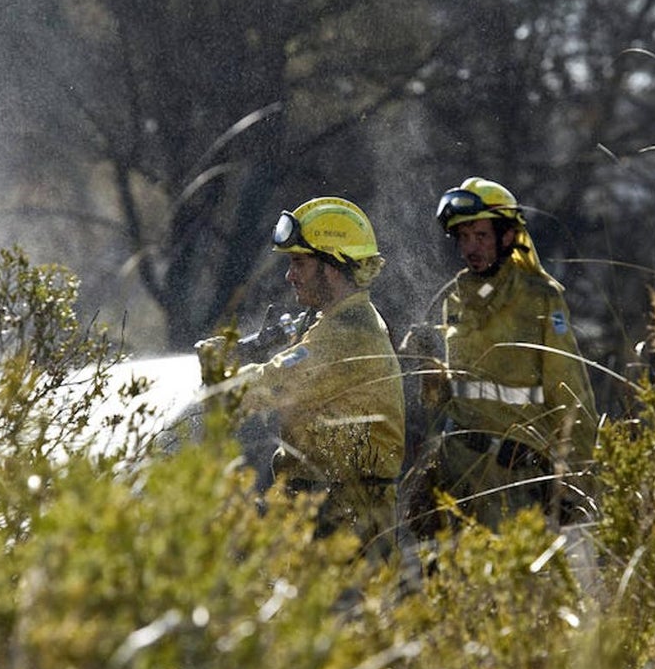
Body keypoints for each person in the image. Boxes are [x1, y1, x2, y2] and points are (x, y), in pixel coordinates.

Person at [197, 197, 406, 562]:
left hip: (345, 524)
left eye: (299, 263)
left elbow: (270, 385)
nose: (289, 275)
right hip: (325, 510)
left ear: (334, 268)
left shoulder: (347, 333)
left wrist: (221, 374)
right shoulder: (334, 321)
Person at [401, 177, 598, 534]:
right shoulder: (455, 299)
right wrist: (427, 365)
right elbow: (448, 397)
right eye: (463, 237)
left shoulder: (540, 298)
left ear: (507, 236)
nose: (470, 248)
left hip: (515, 478)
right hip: (457, 472)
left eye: (480, 236)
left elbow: (570, 391)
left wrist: (579, 481)